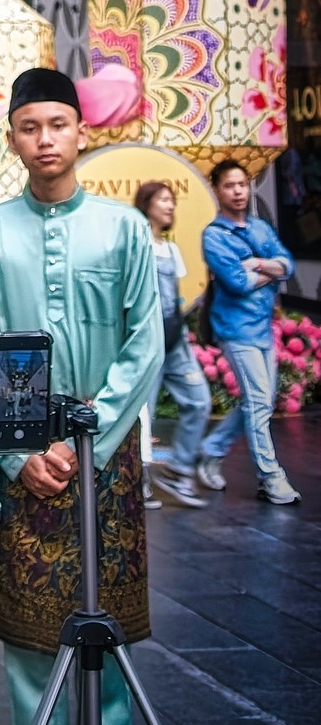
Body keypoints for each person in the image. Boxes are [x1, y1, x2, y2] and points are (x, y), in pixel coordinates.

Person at [0, 69, 162, 725]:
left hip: (103, 457)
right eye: (29, 127)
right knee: (28, 647)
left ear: (82, 132)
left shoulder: (123, 230)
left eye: (57, 124)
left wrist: (90, 438)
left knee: (102, 637)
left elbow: (145, 341)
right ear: (12, 137)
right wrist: (17, 455)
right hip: (25, 452)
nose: (45, 140)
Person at [196, 159, 300, 505]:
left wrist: (256, 263)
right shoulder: (214, 235)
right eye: (230, 185)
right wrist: (271, 270)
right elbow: (237, 283)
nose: (238, 191)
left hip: (262, 326)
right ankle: (271, 477)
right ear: (217, 190)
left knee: (260, 402)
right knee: (258, 402)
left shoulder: (260, 228)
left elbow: (288, 264)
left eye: (242, 184)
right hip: (235, 329)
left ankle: (211, 449)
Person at [133, 182, 210, 508]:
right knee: (142, 415)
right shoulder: (137, 245)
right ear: (147, 204)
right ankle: (138, 482)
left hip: (175, 340)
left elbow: (174, 300)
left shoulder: (171, 249)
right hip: (148, 342)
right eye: (163, 200)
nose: (170, 206)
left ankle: (179, 468)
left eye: (172, 201)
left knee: (200, 401)